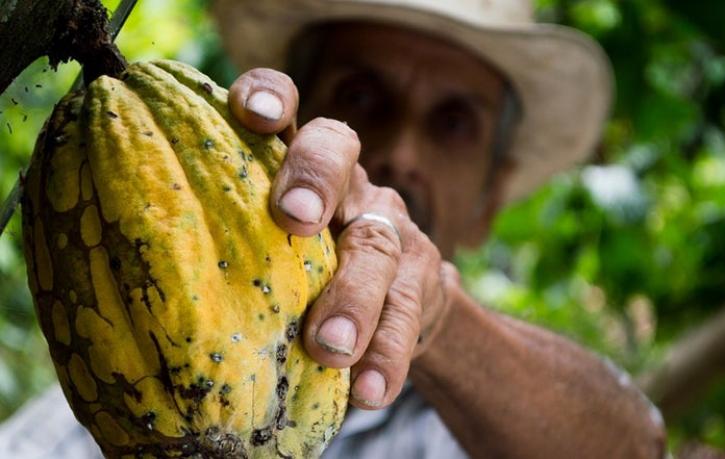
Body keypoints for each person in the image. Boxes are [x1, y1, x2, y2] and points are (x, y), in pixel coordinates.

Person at [0, 0, 666, 457]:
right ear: (280, 121)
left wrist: (435, 315)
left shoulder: (484, 426)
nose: (403, 151)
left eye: (453, 121)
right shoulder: (124, 384)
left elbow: (634, 444)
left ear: (491, 199)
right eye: (361, 96)